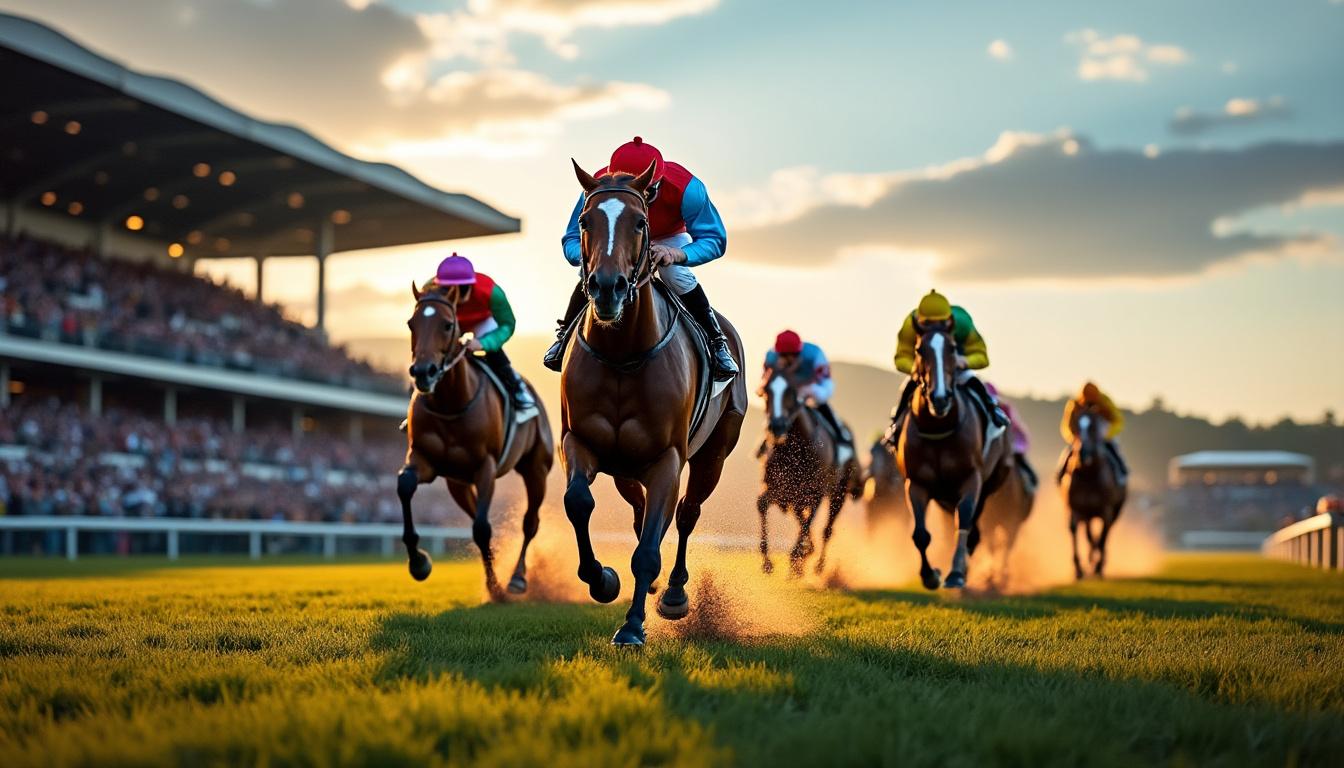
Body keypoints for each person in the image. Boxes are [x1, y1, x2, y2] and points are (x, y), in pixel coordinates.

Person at [546, 136, 738, 381]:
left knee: (674, 273)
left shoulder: (688, 189)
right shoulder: (598, 187)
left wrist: (679, 253)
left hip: (668, 238)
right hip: (621, 239)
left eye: (648, 192)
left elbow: (715, 239)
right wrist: (589, 258)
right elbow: (572, 237)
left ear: (658, 182)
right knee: (591, 272)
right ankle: (564, 336)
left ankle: (716, 341)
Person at [886, 290, 1007, 444]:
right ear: (919, 321)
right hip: (925, 371)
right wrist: (914, 368)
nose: (935, 327)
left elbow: (983, 357)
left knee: (975, 383)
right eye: (927, 324)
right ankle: (895, 425)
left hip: (956, 369)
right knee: (907, 388)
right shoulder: (910, 325)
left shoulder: (962, 322)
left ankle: (993, 412)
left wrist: (964, 361)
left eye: (941, 324)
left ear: (949, 320)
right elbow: (900, 358)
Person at [427, 254, 537, 415]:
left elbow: (508, 325)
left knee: (492, 349)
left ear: (470, 286)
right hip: (449, 322)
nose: (454, 296)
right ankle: (417, 399)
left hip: (481, 322)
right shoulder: (429, 289)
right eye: (448, 290)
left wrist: (483, 343)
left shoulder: (492, 292)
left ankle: (517, 388)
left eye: (460, 290)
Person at [762, 330, 855, 463]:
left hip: (814, 388)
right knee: (776, 407)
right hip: (788, 394)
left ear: (799, 352)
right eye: (783, 355)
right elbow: (768, 384)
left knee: (821, 404)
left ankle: (841, 439)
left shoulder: (815, 354)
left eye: (792, 355)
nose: (787, 359)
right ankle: (767, 440)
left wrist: (809, 390)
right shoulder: (771, 357)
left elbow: (827, 387)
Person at [1057, 381, 1127, 484]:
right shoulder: (1074, 404)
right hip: (1081, 438)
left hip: (1103, 436)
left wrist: (1106, 434)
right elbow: (1066, 425)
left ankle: (1121, 472)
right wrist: (1074, 438)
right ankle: (1061, 474)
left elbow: (1118, 421)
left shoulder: (1105, 402)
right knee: (1069, 452)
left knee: (1113, 449)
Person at [984, 380, 1038, 489]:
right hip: (994, 439)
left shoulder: (1005, 408)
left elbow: (1011, 425)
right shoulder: (981, 411)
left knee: (1018, 456)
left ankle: (1030, 477)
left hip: (1015, 437)